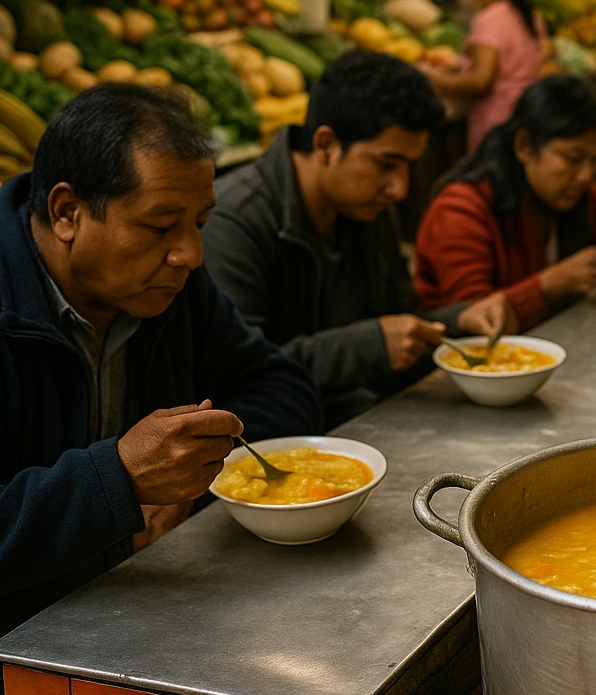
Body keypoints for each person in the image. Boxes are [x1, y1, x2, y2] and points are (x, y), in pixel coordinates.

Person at [0, 85, 322, 695]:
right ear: (67, 212)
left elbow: (282, 385)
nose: (191, 254)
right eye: (159, 226)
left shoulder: (168, 288)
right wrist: (116, 481)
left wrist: (193, 477)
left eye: (200, 223)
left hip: (128, 628)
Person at [203, 50, 512, 429]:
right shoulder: (233, 222)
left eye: (408, 167)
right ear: (325, 144)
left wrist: (458, 319)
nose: (399, 189)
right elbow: (238, 372)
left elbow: (397, 322)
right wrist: (368, 347)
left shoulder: (367, 208)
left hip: (366, 420)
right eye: (386, 165)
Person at [414, 73, 596, 331]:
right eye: (573, 159)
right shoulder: (460, 208)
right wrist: (551, 284)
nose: (586, 175)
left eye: (594, 161)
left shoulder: (576, 189)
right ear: (524, 146)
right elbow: (476, 318)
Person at [420, 0, 550, 153]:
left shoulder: (491, 18)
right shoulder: (530, 15)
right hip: (528, 112)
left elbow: (481, 81)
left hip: (496, 121)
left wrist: (437, 81)